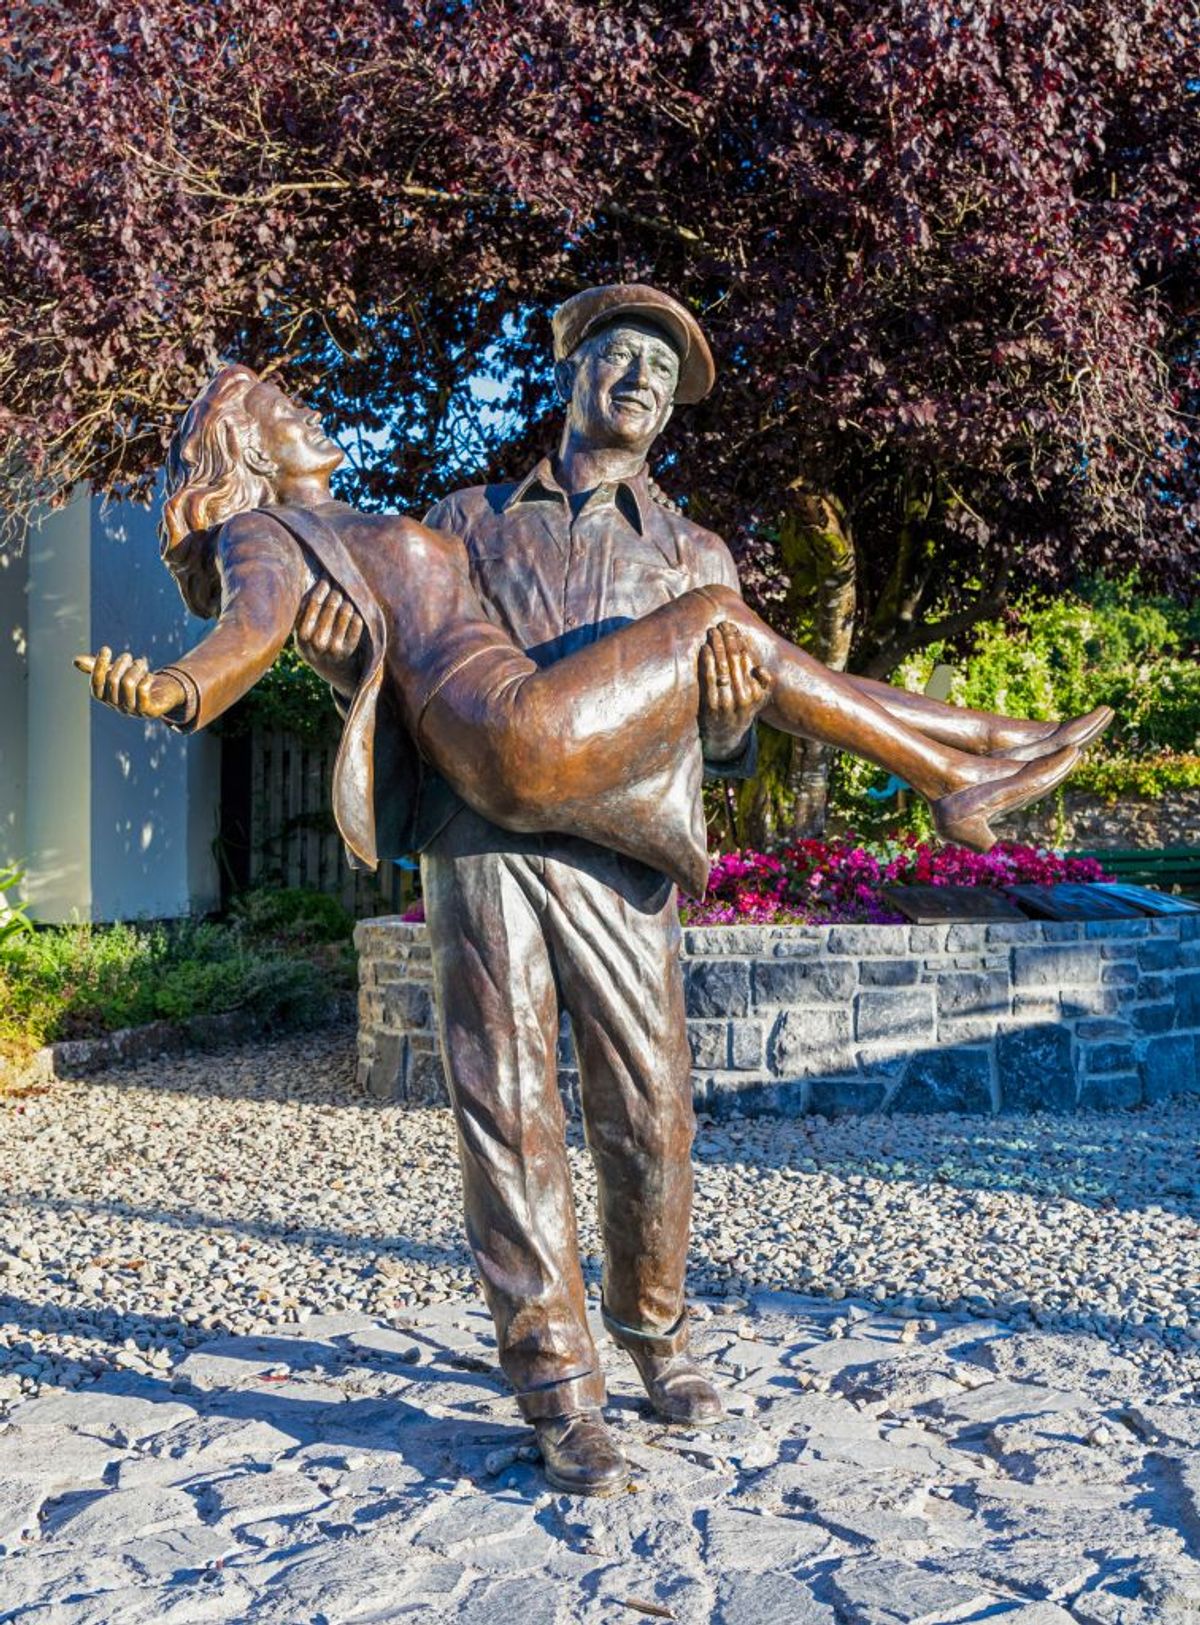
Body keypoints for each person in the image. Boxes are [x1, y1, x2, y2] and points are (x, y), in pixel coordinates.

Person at [78, 342, 1107, 1495]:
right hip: (484, 834)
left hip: (620, 851)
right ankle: (560, 1389)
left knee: (652, 1116)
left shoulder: (691, 548)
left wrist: (724, 719)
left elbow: (731, 736)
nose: (643, 381)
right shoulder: (462, 514)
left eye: (665, 373)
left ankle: (654, 1326)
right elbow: (351, 647)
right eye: (621, 355)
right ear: (571, 373)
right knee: (508, 1112)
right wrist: (192, 681)